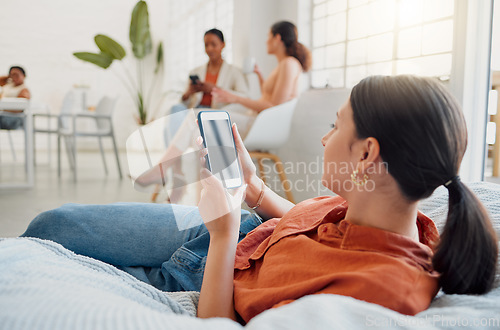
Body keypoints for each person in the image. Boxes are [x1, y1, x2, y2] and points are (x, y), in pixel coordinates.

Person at [21, 75, 498, 323]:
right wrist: (255, 190)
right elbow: (309, 232)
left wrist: (224, 230)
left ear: (367, 154)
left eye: (336, 125)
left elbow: (219, 320)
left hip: (215, 264)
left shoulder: (384, 287)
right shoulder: (382, 212)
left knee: (41, 249)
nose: (324, 138)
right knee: (54, 224)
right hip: (237, 233)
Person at [135, 21, 311, 192]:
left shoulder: (288, 64)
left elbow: (273, 106)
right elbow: (273, 96)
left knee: (197, 117)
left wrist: (234, 98)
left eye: (268, 36)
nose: (266, 40)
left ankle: (164, 170)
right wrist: (259, 76)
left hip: (261, 126)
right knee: (199, 134)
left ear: (277, 38)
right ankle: (205, 201)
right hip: (257, 122)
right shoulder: (284, 65)